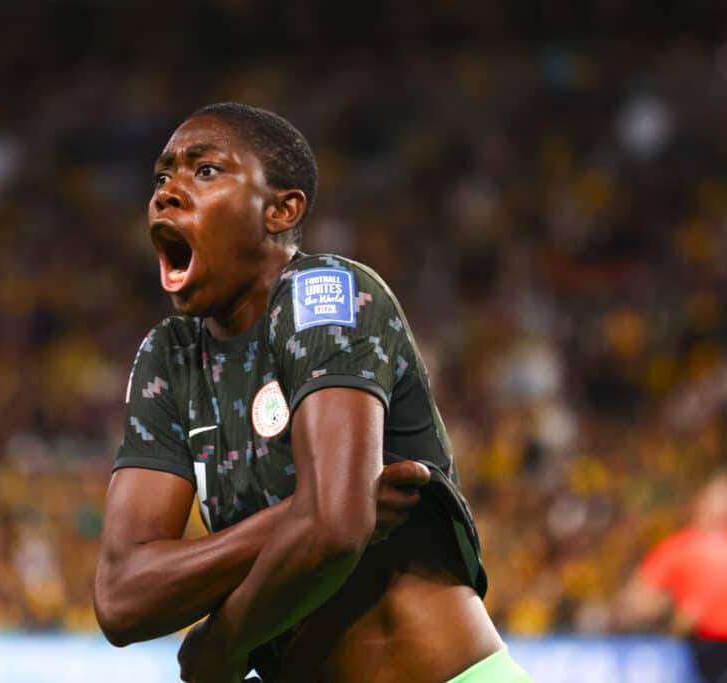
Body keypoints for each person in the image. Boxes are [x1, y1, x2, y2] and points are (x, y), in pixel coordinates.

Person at [94, 102, 530, 683]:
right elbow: (122, 597)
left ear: (281, 210)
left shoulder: (321, 292)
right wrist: (302, 513)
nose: (167, 192)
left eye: (205, 170)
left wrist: (222, 642)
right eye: (161, 177)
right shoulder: (170, 357)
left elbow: (333, 534)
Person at [618, 473, 727, 682]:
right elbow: (638, 599)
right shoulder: (677, 547)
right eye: (717, 499)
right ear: (701, 503)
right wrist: (672, 612)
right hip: (707, 645)